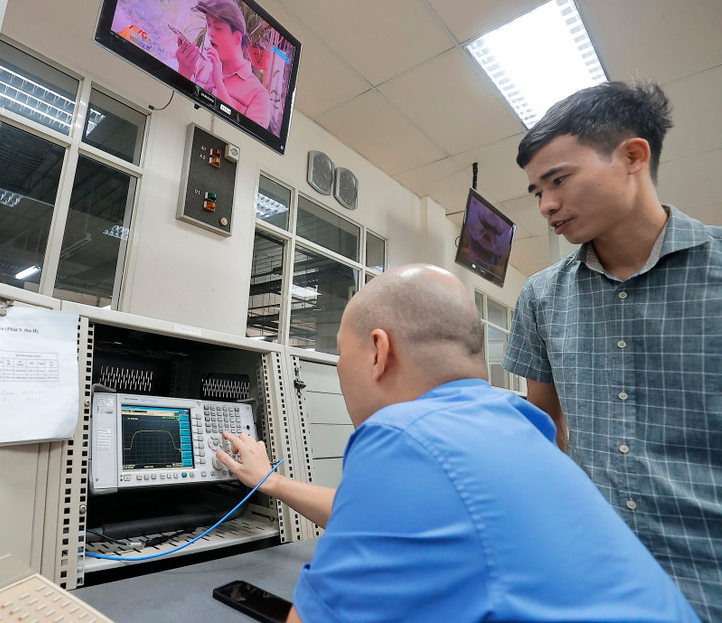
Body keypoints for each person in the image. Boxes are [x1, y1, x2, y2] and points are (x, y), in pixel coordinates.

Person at [217, 264, 699, 623]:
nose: (341, 369)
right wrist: (273, 482)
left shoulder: (402, 434)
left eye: (342, 354)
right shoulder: (516, 422)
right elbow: (396, 518)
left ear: (379, 352)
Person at [502, 80, 721, 622]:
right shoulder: (541, 295)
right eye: (536, 192)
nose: (547, 205)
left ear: (632, 156)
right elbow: (542, 429)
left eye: (558, 180)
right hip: (594, 576)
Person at [174, 0, 270, 128]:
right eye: (208, 25)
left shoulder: (259, 95)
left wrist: (219, 83)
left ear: (237, 38)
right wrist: (184, 70)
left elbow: (246, 140)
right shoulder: (200, 64)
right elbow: (178, 110)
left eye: (218, 28)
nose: (210, 33)